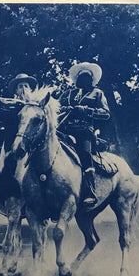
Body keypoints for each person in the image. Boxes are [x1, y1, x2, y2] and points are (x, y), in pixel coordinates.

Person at [59, 62, 110, 206]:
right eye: (81, 76)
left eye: (88, 77)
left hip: (84, 131)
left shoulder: (97, 93)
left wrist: (85, 110)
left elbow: (106, 114)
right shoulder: (67, 93)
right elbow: (55, 108)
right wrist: (64, 108)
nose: (84, 79)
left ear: (92, 79)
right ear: (77, 78)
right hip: (64, 130)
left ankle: (89, 191)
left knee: (85, 154)